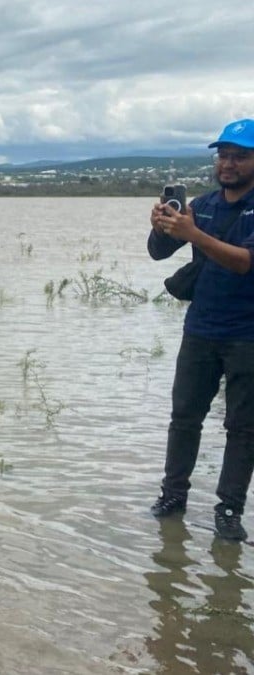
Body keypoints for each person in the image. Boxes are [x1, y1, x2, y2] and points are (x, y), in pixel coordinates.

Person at [148, 118, 254, 541]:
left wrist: (195, 234)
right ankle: (173, 497)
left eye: (240, 156)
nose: (228, 164)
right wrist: (162, 225)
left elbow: (244, 262)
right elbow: (158, 254)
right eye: (223, 155)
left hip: (248, 335)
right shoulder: (204, 204)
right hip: (201, 330)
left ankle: (229, 509)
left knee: (243, 427)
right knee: (184, 417)